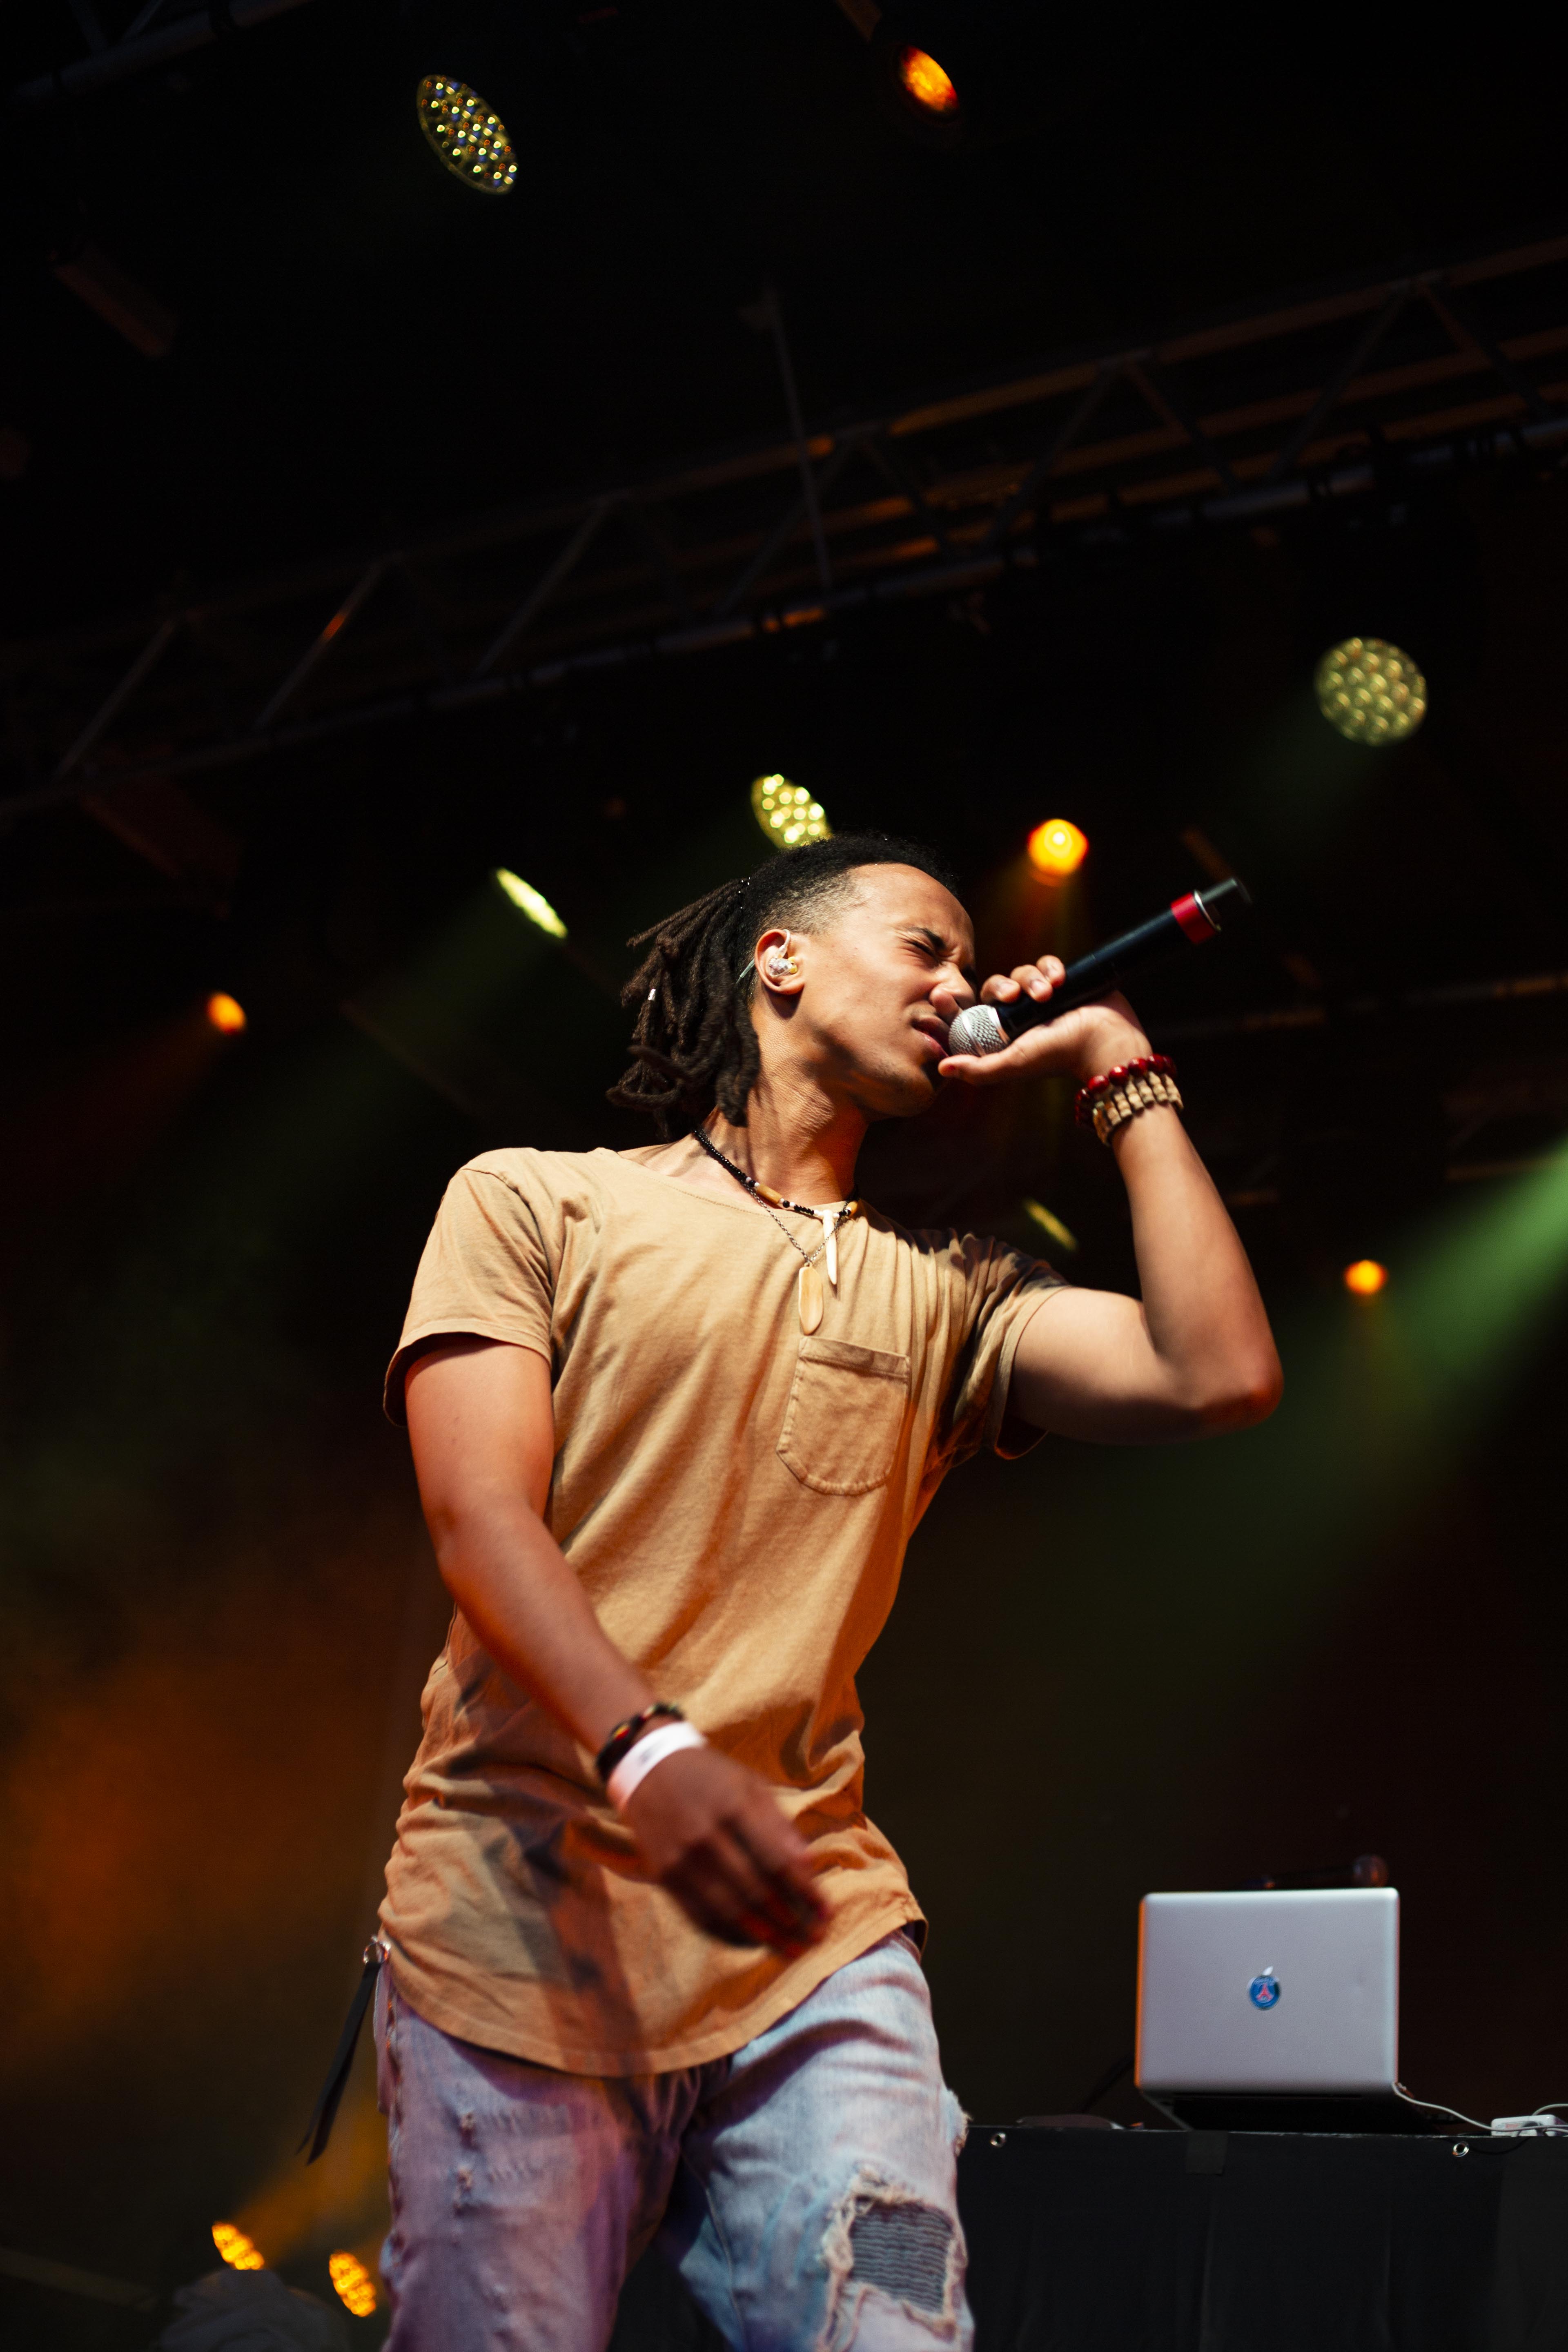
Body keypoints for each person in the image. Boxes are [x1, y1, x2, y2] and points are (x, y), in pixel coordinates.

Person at [372, 832, 1281, 2352]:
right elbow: (479, 1519)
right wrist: (648, 1752)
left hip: (813, 1923)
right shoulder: (538, 1202)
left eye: (967, 961)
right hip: (522, 1910)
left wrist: (1119, 1067)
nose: (960, 980)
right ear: (779, 961)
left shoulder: (949, 1290)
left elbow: (1220, 1375)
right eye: (926, 945)